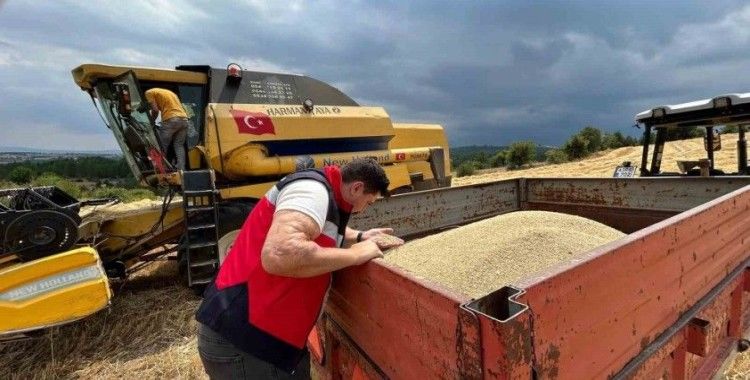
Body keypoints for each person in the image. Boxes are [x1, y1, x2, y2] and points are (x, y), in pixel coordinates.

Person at [195, 158, 404, 379]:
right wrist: (356, 254)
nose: (363, 209)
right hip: (247, 343)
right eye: (368, 202)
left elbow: (319, 226)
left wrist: (360, 236)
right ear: (357, 187)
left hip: (261, 340)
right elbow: (280, 254)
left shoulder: (322, 193)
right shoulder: (311, 191)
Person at [143, 87, 189, 170]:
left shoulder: (148, 93)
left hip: (171, 119)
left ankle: (161, 168)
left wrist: (151, 122)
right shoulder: (169, 93)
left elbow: (155, 110)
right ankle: (182, 168)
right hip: (184, 119)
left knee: (161, 145)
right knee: (179, 145)